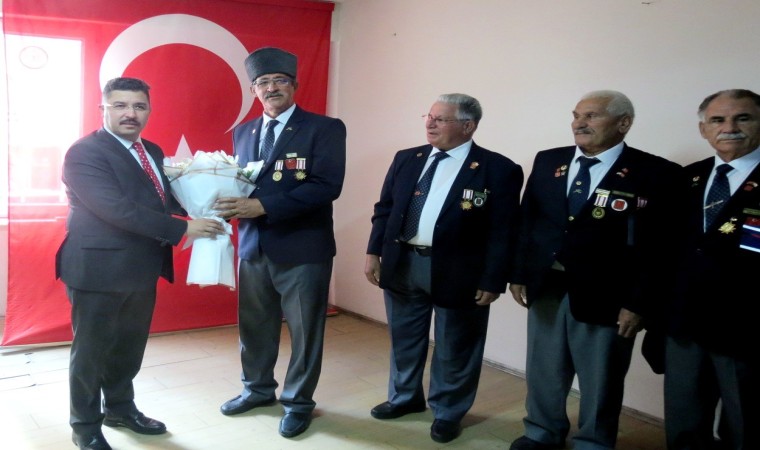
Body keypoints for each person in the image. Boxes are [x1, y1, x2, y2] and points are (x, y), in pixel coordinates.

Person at [56, 77, 225, 450]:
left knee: (129, 347)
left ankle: (120, 409)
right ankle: (85, 427)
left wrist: (210, 199)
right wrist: (183, 229)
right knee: (91, 353)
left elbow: (161, 198)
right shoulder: (84, 153)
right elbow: (115, 208)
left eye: (139, 106)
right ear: (103, 109)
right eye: (120, 105)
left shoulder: (152, 150)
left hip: (141, 266)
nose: (130, 113)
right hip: (97, 269)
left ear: (148, 110)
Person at [507, 90, 681, 450]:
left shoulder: (656, 172)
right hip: (548, 284)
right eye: (576, 115)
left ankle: (593, 442)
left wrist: (638, 303)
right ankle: (541, 432)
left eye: (592, 115)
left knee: (601, 377)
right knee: (544, 369)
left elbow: (660, 249)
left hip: (609, 295)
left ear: (624, 123)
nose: (580, 123)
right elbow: (528, 221)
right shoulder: (549, 160)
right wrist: (520, 273)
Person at [364, 93, 524, 443]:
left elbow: (504, 230)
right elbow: (385, 208)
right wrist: (373, 251)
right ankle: (404, 398)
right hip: (403, 262)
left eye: (441, 119)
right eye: (429, 116)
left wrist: (493, 279)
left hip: (460, 271)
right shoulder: (408, 158)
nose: (430, 123)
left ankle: (448, 411)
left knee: (456, 345)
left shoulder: (499, 169)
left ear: (468, 126)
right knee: (404, 339)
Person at [213, 47, 346, 439]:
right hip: (253, 247)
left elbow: (326, 186)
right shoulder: (243, 132)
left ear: (294, 85)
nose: (271, 88)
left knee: (304, 333)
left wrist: (262, 206)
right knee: (254, 327)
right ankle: (256, 390)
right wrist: (217, 204)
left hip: (303, 249)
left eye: (279, 81)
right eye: (263, 82)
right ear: (253, 89)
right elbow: (240, 183)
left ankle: (298, 403)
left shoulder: (324, 128)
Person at [662, 89, 760, 450]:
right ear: (704, 129)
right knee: (684, 419)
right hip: (684, 324)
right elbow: (665, 251)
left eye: (743, 118)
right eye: (717, 120)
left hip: (747, 329)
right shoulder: (686, 178)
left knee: (746, 422)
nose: (729, 127)